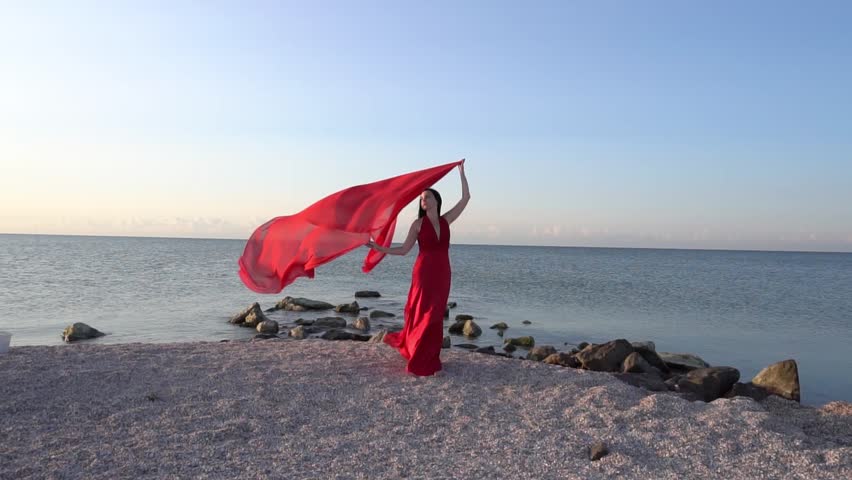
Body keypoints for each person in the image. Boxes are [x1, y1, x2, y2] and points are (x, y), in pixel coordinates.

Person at [366, 160, 469, 375]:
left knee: (436, 314)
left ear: (436, 200)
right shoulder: (417, 225)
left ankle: (431, 354)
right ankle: (419, 354)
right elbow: (403, 250)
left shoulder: (446, 220)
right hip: (423, 272)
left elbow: (465, 198)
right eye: (421, 199)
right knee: (425, 313)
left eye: (427, 197)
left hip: (443, 273)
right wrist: (379, 248)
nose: (424, 201)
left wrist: (461, 172)